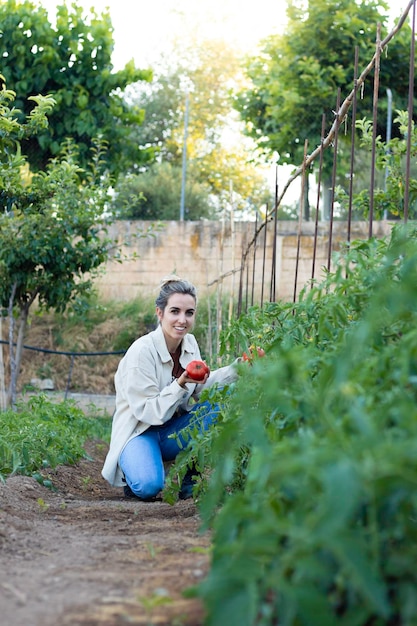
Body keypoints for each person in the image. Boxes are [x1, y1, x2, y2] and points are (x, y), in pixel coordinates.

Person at [102, 275, 240, 501]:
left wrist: (237, 369)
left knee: (216, 409)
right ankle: (134, 471)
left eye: (189, 313)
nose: (182, 320)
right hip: (140, 432)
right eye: (175, 311)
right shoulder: (142, 352)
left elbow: (202, 390)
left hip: (172, 431)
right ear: (160, 313)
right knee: (148, 486)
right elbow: (148, 412)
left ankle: (190, 477)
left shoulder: (190, 344)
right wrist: (180, 383)